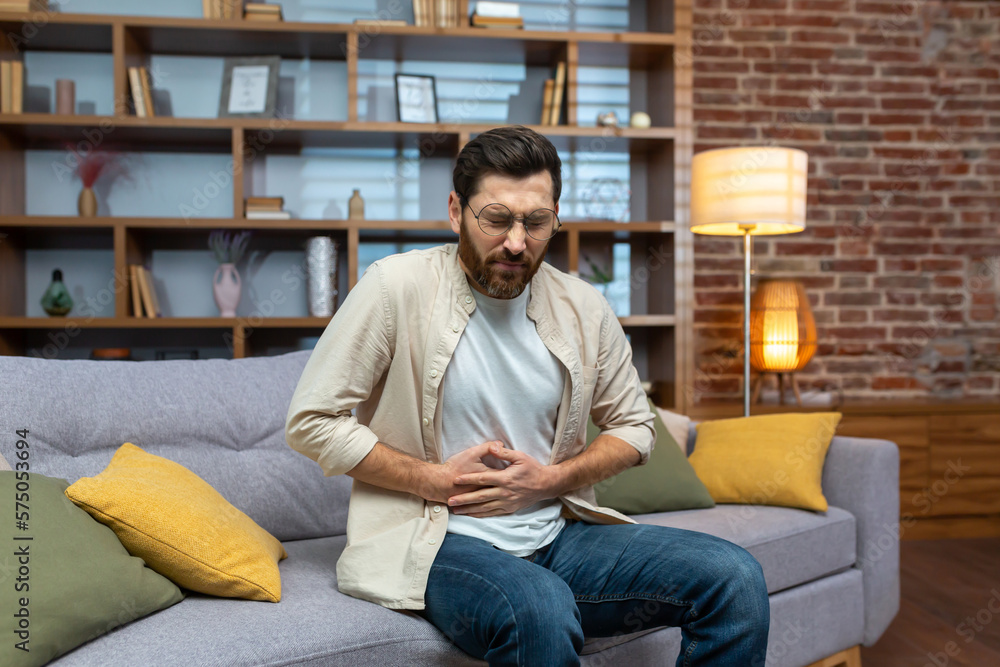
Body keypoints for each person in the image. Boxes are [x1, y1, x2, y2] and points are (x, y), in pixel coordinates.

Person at [285, 125, 769, 666]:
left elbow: (636, 428)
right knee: (539, 607)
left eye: (535, 223)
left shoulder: (583, 306)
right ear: (456, 211)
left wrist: (552, 479)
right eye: (496, 219)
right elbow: (312, 420)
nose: (516, 242)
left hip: (558, 536)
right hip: (437, 540)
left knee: (735, 578)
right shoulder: (394, 287)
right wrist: (433, 479)